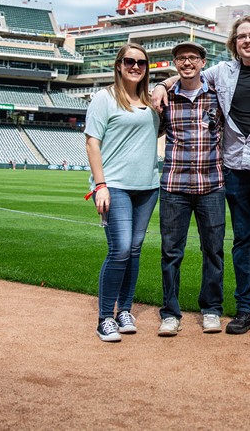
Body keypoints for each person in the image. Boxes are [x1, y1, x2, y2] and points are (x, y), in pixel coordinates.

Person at [153, 16, 250, 337]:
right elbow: (188, 74)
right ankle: (246, 309)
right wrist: (162, 83)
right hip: (234, 170)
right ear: (234, 42)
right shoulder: (223, 72)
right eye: (241, 36)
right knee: (242, 242)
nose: (247, 40)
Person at [85, 43, 160, 342]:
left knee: (136, 250)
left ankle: (124, 310)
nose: (135, 67)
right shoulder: (104, 99)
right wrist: (100, 185)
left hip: (147, 186)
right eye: (129, 61)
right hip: (114, 185)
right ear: (118, 65)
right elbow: (92, 143)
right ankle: (105, 317)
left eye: (142, 63)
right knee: (121, 249)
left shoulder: (151, 101)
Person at [157, 41, 226, 337]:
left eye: (193, 58)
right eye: (181, 58)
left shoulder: (218, 96)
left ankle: (211, 309)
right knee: (171, 252)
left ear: (202, 62)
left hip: (212, 184)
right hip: (174, 185)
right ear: (175, 63)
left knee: (213, 250)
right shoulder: (164, 99)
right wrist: (160, 85)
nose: (187, 62)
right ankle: (170, 313)